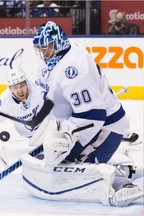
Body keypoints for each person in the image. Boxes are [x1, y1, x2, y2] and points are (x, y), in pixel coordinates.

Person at [21, 21, 143, 206]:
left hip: (106, 127)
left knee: (69, 164)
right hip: (84, 122)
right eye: (40, 49)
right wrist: (40, 119)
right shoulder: (55, 58)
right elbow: (50, 94)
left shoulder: (74, 71)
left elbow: (94, 116)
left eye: (47, 48)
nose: (43, 54)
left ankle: (123, 185)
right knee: (55, 157)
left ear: (59, 43)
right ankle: (125, 167)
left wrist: (65, 132)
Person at [0, 68, 48, 152]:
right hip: (29, 135)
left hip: (47, 128)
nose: (19, 91)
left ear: (27, 83)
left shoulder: (38, 91)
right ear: (10, 88)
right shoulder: (6, 101)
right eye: (15, 87)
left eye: (22, 86)